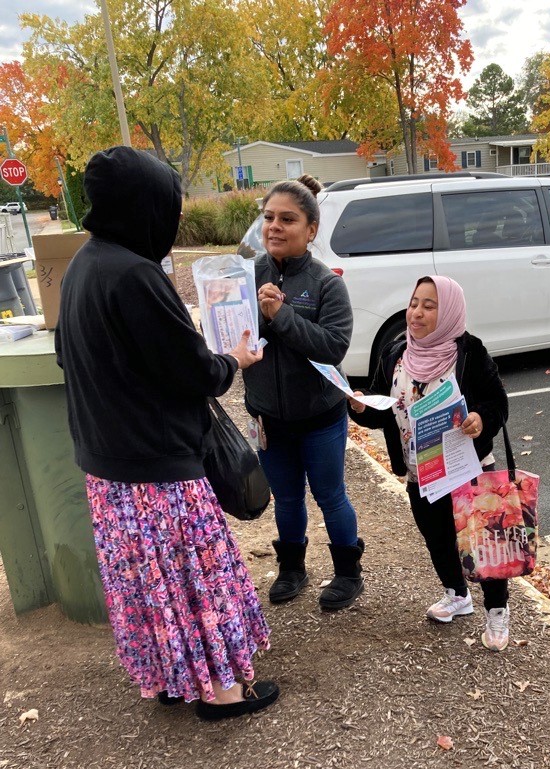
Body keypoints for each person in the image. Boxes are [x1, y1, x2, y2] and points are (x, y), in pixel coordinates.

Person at [55, 146, 277, 720]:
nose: (173, 220)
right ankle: (222, 692)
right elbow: (194, 373)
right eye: (168, 207)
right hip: (158, 471)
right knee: (199, 579)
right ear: (144, 207)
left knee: (150, 589)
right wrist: (234, 359)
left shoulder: (84, 264)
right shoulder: (135, 274)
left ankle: (174, 679)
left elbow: (70, 356)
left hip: (107, 470)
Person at [349, 276, 511, 650]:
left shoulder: (469, 352)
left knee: (483, 544)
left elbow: (497, 402)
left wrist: (481, 419)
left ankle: (497, 611)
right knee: (436, 537)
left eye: (429, 305)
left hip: (467, 468)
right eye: (414, 302)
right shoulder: (396, 352)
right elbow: (385, 409)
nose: (417, 312)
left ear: (449, 311)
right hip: (422, 472)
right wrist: (360, 405)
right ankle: (458, 595)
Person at [243, 176, 364, 610]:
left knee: (331, 496)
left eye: (287, 219)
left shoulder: (327, 284)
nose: (274, 226)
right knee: (288, 498)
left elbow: (332, 347)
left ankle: (349, 572)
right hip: (267, 418)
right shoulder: (246, 275)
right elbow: (228, 338)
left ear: (311, 229)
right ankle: (293, 567)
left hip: (320, 418)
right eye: (269, 217)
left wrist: (280, 315)